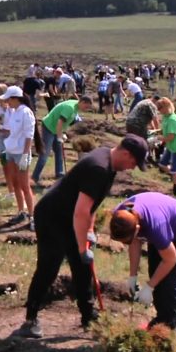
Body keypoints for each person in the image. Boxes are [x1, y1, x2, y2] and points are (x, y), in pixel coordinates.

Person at [17, 134, 150, 338]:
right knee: (48, 267)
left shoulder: (110, 163)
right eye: (133, 162)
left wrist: (88, 232)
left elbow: (91, 204)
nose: (132, 167)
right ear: (125, 153)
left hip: (71, 217)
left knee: (83, 268)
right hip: (53, 217)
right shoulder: (99, 167)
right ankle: (30, 317)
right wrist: (82, 247)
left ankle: (88, 316)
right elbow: (81, 211)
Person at [109, 192, 176, 330]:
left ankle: (167, 329)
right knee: (155, 271)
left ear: (138, 228)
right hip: (160, 224)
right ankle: (160, 319)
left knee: (168, 282)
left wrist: (150, 286)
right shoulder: (121, 215)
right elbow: (134, 242)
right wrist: (133, 276)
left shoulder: (156, 226)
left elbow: (170, 259)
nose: (126, 243)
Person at [0, 86, 40, 229]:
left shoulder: (26, 113)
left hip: (21, 153)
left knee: (24, 185)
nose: (7, 102)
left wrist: (25, 154)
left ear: (15, 98)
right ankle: (21, 211)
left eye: (8, 99)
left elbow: (29, 135)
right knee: (15, 183)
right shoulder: (13, 111)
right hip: (11, 151)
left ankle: (33, 216)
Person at [31, 96, 93, 185]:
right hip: (49, 127)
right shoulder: (70, 108)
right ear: (82, 102)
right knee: (45, 154)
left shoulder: (76, 106)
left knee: (59, 151)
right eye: (86, 107)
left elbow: (66, 121)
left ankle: (59, 174)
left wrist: (62, 133)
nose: (86, 109)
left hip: (57, 129)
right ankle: (35, 178)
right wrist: (60, 136)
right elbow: (60, 123)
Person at [155, 98, 176, 196]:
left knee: (174, 170)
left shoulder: (172, 119)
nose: (158, 110)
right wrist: (156, 131)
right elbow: (166, 129)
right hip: (170, 147)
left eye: (160, 108)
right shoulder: (166, 116)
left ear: (166, 107)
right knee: (162, 164)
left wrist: (158, 138)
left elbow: (170, 137)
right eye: (158, 108)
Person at [0, 83, 16, 201]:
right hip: (1, 136)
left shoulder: (11, 108)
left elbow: (14, 125)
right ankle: (11, 191)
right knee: (5, 166)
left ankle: (16, 191)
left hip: (9, 137)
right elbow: (0, 121)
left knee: (11, 166)